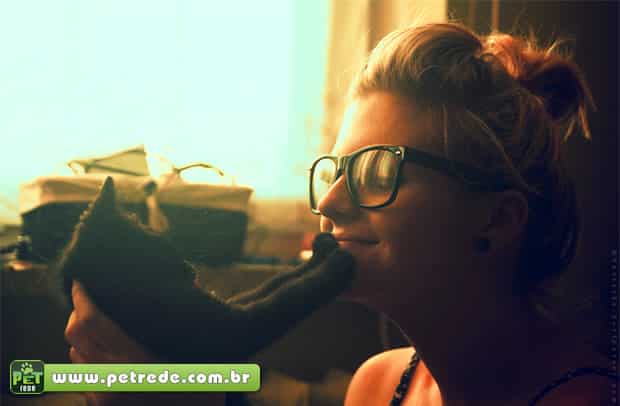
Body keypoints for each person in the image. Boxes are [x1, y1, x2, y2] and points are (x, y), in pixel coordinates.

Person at [66, 21, 616, 405]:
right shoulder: (376, 386)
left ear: (497, 221)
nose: (328, 203)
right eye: (334, 172)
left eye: (376, 171)